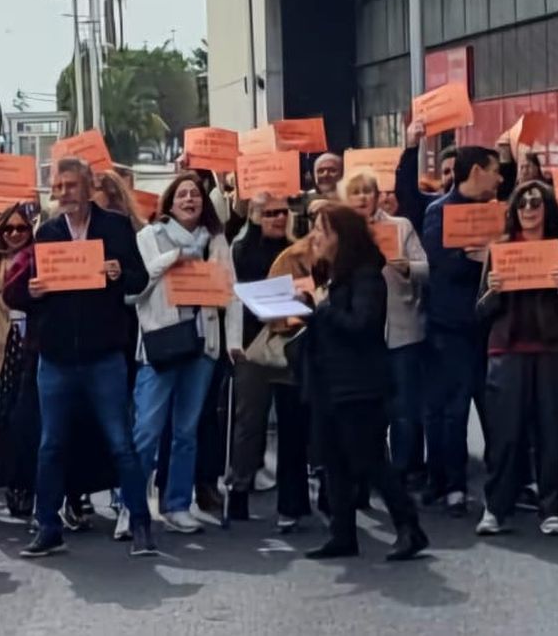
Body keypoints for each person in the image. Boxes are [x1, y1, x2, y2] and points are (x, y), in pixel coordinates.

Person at [4, 156, 154, 558]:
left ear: (88, 187)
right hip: (55, 357)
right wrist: (31, 292)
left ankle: (141, 524)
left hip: (103, 355)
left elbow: (139, 279)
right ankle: (48, 527)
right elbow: (22, 291)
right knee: (50, 445)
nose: (64, 193)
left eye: (70, 185)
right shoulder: (47, 232)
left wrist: (118, 273)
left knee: (120, 442)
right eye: (58, 187)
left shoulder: (115, 227)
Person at [294, 203, 428, 561]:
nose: (315, 237)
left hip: (359, 384)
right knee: (334, 460)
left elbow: (361, 324)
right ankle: (342, 535)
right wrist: (310, 309)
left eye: (322, 230)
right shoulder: (333, 274)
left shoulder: (366, 275)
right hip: (329, 382)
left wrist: (321, 307)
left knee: (370, 459)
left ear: (342, 236)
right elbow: (331, 321)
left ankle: (409, 527)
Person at [473, 182, 558, 536]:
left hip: (552, 351)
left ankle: (550, 510)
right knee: (505, 433)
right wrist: (493, 291)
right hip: (507, 350)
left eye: (535, 202)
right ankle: (496, 508)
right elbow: (481, 310)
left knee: (550, 430)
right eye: (521, 203)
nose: (528, 208)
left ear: (546, 208)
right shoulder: (500, 249)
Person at [128, 172, 234, 537]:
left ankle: (177, 505)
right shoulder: (149, 236)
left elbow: (231, 291)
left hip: (203, 344)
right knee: (146, 430)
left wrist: (233, 341)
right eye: (182, 194)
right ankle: (132, 505)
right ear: (170, 203)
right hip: (163, 344)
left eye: (196, 194)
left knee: (186, 432)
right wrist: (173, 259)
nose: (190, 199)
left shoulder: (215, 241)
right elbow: (135, 290)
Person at [420, 144, 502, 515]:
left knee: (496, 408)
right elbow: (440, 263)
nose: (499, 179)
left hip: (491, 324)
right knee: (454, 410)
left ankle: (503, 484)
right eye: (494, 170)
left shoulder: (497, 213)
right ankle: (453, 486)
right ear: (476, 172)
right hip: (451, 327)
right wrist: (473, 258)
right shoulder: (439, 211)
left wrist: (488, 256)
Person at [225, 192, 309, 526]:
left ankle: (292, 504)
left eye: (283, 212)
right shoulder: (239, 250)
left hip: (291, 343)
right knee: (249, 423)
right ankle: (239, 490)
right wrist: (234, 341)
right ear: (255, 216)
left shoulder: (298, 250)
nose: (279, 218)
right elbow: (232, 296)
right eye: (270, 213)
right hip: (253, 346)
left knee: (293, 426)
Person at [341, 170, 428, 477]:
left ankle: (406, 471)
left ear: (378, 197)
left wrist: (409, 268)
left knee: (405, 408)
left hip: (402, 330)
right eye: (356, 192)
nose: (362, 197)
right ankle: (373, 470)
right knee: (370, 410)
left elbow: (427, 268)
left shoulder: (400, 226)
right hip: (361, 335)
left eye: (368, 191)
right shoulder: (341, 233)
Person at [0, 203, 38, 516]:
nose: (14, 234)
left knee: (24, 423)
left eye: (21, 228)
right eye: (8, 229)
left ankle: (20, 488)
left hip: (32, 350)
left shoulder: (41, 260)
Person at [393, 120, 458, 236]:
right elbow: (407, 191)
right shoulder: (432, 205)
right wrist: (412, 147)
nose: (452, 176)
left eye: (457, 170)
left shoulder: (478, 204)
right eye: (446, 172)